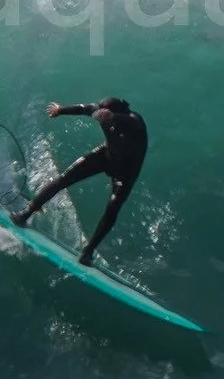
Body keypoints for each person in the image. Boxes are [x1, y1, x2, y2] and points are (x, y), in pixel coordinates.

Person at [13, 98, 148, 264]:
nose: (101, 117)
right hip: (106, 156)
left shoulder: (134, 120)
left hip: (126, 172)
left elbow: (130, 122)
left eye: (106, 115)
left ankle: (88, 251)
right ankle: (25, 214)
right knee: (63, 179)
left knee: (113, 207)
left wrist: (113, 116)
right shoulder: (99, 111)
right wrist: (60, 110)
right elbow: (84, 108)